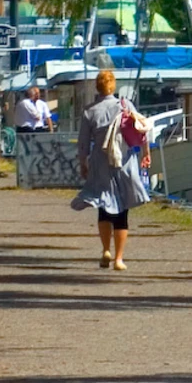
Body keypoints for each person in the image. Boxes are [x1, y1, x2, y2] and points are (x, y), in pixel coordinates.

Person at [72, 69, 148, 270]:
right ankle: (119, 258)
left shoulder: (90, 111)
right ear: (113, 86)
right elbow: (141, 129)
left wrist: (83, 163)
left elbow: (83, 143)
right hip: (123, 160)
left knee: (104, 205)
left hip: (100, 161)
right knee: (122, 209)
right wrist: (146, 154)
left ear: (97, 87)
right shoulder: (125, 106)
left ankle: (106, 249)